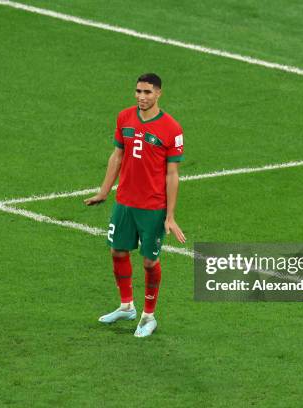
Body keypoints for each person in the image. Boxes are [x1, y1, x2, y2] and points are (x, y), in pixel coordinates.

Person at [84, 73, 186, 337]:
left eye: (148, 92)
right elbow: (117, 156)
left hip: (152, 206)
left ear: (159, 94)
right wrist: (104, 191)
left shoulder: (172, 128)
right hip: (125, 202)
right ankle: (126, 306)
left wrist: (170, 216)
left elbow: (172, 174)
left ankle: (148, 316)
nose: (142, 97)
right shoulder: (124, 117)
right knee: (118, 252)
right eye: (138, 91)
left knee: (150, 263)